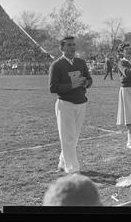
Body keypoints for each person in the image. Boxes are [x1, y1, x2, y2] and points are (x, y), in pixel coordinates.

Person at [49, 36, 93, 174]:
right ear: (62, 48)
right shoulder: (56, 65)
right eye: (68, 45)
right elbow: (53, 87)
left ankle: (62, 162)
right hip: (65, 104)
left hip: (81, 102)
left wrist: (86, 82)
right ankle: (73, 169)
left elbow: (89, 78)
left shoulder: (81, 62)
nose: (72, 47)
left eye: (73, 44)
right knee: (68, 137)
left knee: (73, 137)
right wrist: (71, 85)